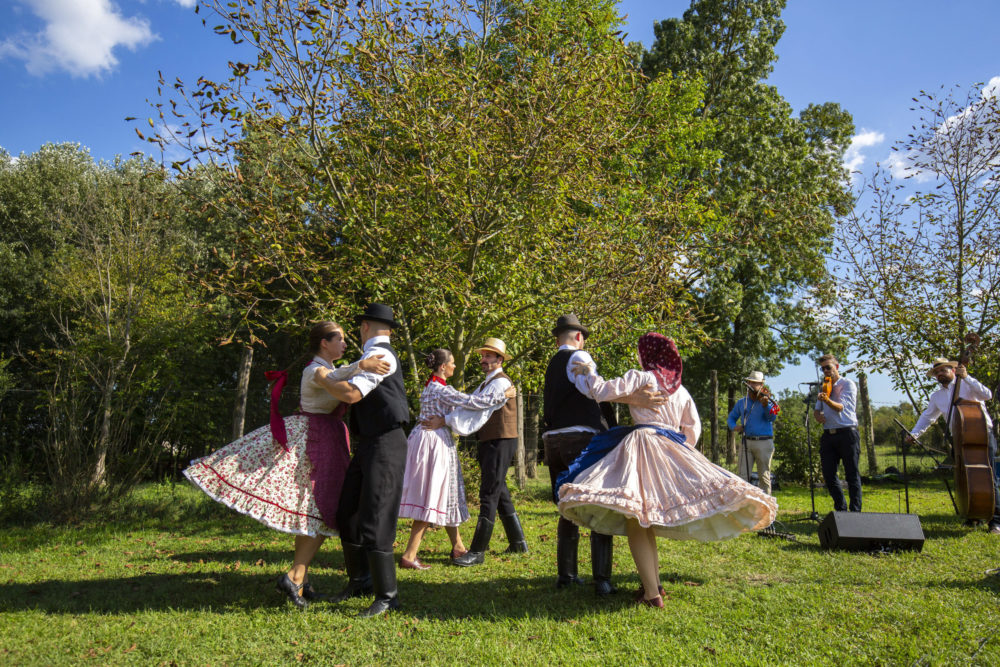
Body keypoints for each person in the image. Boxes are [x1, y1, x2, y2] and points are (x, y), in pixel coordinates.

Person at [557, 332, 776, 608]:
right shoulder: (680, 390)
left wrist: (587, 372)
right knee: (645, 518)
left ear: (647, 355)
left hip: (643, 444)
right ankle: (653, 585)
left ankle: (651, 595)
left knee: (637, 519)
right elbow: (693, 428)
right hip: (670, 445)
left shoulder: (642, 377)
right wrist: (679, 452)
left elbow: (600, 392)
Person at [183, 321, 390, 609]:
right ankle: (294, 577)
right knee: (320, 510)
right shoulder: (315, 369)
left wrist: (360, 366)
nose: (344, 343)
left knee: (317, 512)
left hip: (327, 437)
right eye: (339, 339)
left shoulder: (326, 368)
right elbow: (331, 378)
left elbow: (337, 376)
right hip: (314, 439)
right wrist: (361, 365)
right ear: (323, 343)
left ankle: (299, 578)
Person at [541, 314, 667, 597]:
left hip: (554, 441)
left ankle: (567, 575)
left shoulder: (552, 365)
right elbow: (596, 389)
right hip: (581, 438)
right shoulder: (578, 357)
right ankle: (602, 580)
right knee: (601, 501)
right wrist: (636, 398)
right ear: (578, 337)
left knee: (568, 504)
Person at [397, 348, 517, 569]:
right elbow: (473, 402)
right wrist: (503, 395)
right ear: (443, 367)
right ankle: (410, 554)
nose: (454, 366)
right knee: (431, 496)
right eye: (452, 363)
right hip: (434, 442)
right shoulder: (442, 389)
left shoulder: (432, 386)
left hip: (427, 439)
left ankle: (458, 547)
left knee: (447, 494)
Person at [327, 304, 411, 618]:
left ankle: (388, 597)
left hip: (387, 442)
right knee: (347, 513)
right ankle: (360, 580)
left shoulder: (382, 357)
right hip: (368, 444)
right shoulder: (366, 360)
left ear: (364, 327)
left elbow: (350, 395)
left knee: (377, 517)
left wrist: (320, 378)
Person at [449, 337, 528, 567]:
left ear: (499, 359)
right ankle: (518, 542)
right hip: (492, 439)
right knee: (499, 490)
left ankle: (477, 551)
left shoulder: (500, 383)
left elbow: (478, 403)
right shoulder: (488, 382)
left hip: (500, 440)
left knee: (489, 493)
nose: (482, 360)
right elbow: (473, 400)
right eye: (482, 356)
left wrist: (446, 416)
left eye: (488, 356)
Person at [907, 357, 1000, 534]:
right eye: (937, 372)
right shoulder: (937, 396)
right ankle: (974, 515)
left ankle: (996, 520)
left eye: (943, 370)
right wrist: (914, 434)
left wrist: (967, 377)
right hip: (958, 438)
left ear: (953, 370)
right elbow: (928, 417)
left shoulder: (966, 384)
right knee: (966, 476)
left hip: (981, 434)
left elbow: (987, 395)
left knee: (988, 477)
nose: (940, 374)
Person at [812, 354, 861, 512]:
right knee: (828, 473)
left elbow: (841, 407)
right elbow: (817, 410)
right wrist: (818, 415)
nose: (826, 370)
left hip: (847, 433)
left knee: (851, 474)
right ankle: (841, 508)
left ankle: (855, 511)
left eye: (828, 367)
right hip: (828, 434)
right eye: (823, 368)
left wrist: (827, 400)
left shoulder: (847, 384)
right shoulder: (824, 386)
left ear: (837, 367)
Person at [727, 371, 780, 495]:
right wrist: (735, 427)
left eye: (757, 384)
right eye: (751, 383)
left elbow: (772, 418)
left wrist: (766, 405)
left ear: (761, 385)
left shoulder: (766, 401)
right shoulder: (742, 402)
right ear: (748, 384)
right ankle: (744, 505)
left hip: (764, 442)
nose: (754, 386)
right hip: (746, 441)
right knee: (742, 476)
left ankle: (766, 506)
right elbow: (731, 418)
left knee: (764, 476)